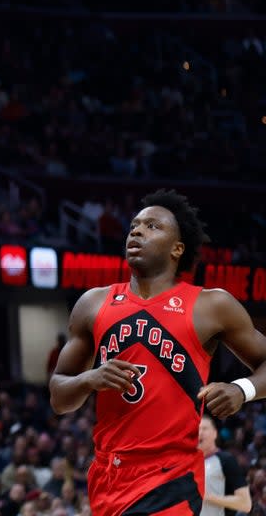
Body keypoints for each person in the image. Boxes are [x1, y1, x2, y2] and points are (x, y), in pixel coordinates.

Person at [49, 190, 266, 516]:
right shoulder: (93, 303)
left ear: (178, 249)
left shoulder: (211, 305)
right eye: (134, 225)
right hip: (108, 474)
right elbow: (58, 396)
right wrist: (89, 379)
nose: (136, 231)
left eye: (152, 227)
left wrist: (242, 389)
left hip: (170, 475)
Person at [199, 415, 250, 516]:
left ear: (215, 433)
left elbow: (245, 504)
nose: (200, 433)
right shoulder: (187, 463)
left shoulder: (226, 459)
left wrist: (208, 497)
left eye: (205, 429)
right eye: (197, 429)